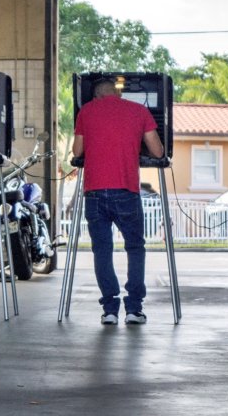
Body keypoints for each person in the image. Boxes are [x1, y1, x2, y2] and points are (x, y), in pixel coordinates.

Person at [72, 78, 164, 325]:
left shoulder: (86, 111)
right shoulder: (138, 110)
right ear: (118, 93)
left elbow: (77, 152)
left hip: (95, 191)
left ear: (95, 96)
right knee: (135, 247)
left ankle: (110, 310)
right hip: (126, 190)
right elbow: (158, 151)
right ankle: (134, 309)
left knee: (102, 250)